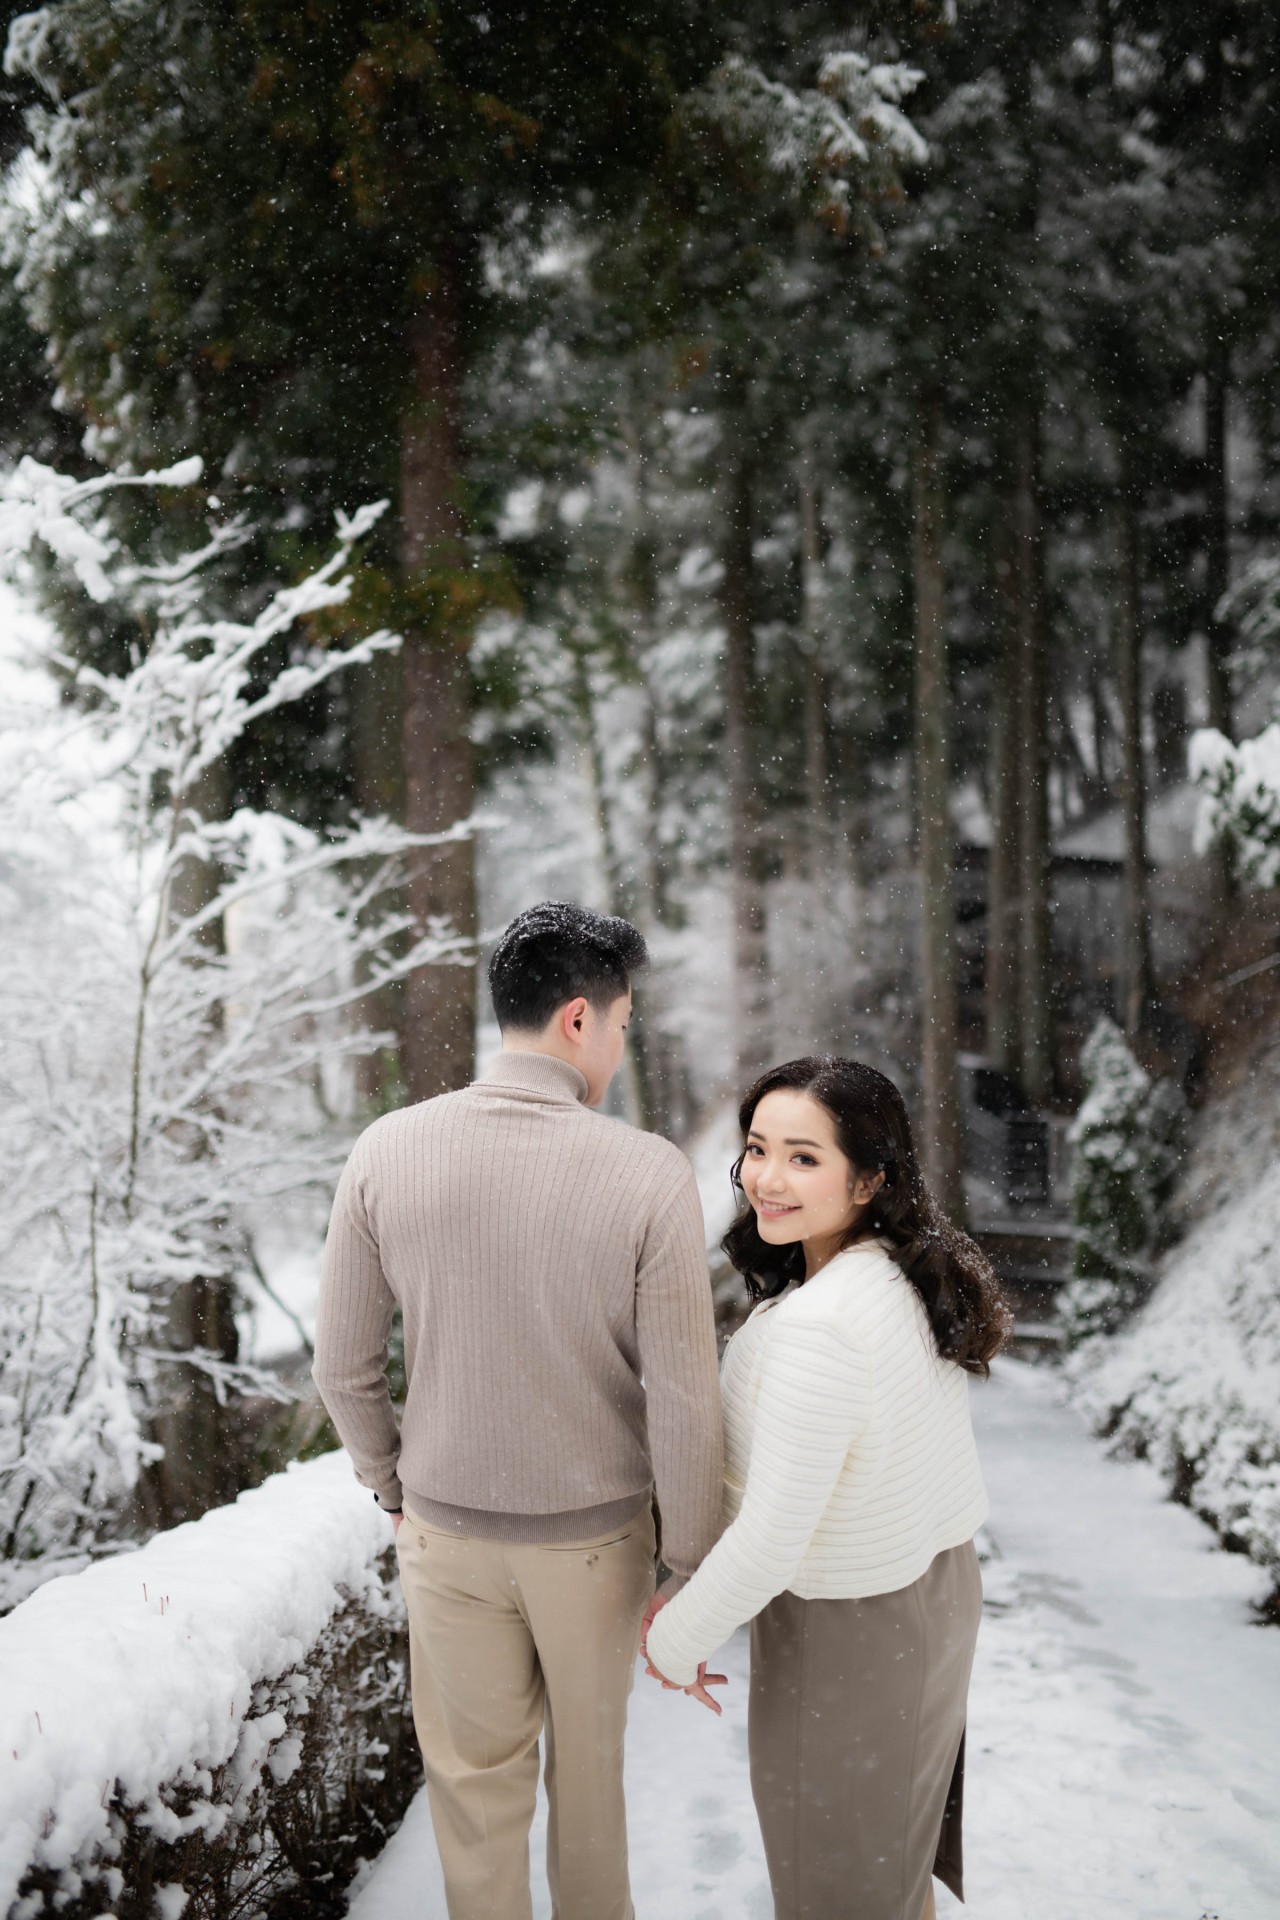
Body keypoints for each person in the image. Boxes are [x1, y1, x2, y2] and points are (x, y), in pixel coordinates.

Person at [312, 902, 724, 1920]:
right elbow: (683, 1394)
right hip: (596, 1547)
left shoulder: (386, 1150)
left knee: (473, 1800)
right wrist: (687, 1563)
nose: (618, 1049)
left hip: (446, 1536)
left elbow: (343, 1368)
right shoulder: (647, 1172)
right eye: (621, 1026)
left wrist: (392, 1489)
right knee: (590, 1797)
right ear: (579, 1018)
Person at [643, 1056, 1009, 1920]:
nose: (766, 1179)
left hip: (848, 1633)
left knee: (834, 1884)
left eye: (803, 1157)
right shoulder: (897, 1273)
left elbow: (773, 1537)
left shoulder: (822, 1326)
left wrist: (673, 1643)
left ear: (870, 1178)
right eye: (757, 1148)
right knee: (889, 1868)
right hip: (931, 1594)